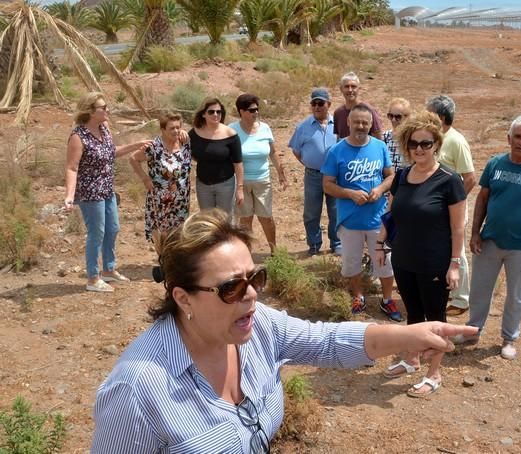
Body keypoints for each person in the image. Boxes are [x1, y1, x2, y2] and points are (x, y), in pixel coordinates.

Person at [90, 208, 479, 453]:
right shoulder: (136, 391)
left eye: (255, 276)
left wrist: (409, 335)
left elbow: (326, 341)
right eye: (232, 287)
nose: (252, 294)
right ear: (183, 297)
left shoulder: (258, 327)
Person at [375, 111, 466, 397]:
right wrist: (380, 245)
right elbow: (391, 215)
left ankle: (434, 372)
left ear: (436, 144)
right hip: (404, 258)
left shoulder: (449, 180)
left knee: (435, 318)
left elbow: (457, 228)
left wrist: (454, 265)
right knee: (413, 313)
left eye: (426, 144)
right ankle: (413, 359)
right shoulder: (401, 176)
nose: (419, 149)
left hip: (435, 262)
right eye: (414, 143)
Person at [459, 115, 521, 360]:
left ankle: (509, 338)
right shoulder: (495, 164)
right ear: (509, 138)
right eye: (517, 136)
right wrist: (474, 233)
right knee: (480, 290)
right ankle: (473, 331)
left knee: (517, 295)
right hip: (490, 239)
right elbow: (482, 198)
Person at [64, 92, 151, 292]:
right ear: (90, 111)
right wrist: (69, 195)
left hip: (107, 188)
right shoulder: (78, 136)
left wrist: (136, 145)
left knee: (113, 229)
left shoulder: (104, 129)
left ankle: (109, 271)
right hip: (89, 192)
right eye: (103, 108)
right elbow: (71, 168)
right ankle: (93, 279)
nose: (107, 110)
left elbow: (112, 151)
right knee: (97, 233)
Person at [322, 104, 401, 322]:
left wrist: (379, 189)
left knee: (385, 262)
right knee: (351, 262)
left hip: (378, 219)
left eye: (365, 122)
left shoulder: (379, 146)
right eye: (356, 121)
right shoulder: (336, 151)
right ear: (348, 122)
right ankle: (358, 296)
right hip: (349, 220)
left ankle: (386, 300)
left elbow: (390, 176)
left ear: (370, 124)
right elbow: (327, 185)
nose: (360, 126)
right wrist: (349, 193)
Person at [426, 95, 476, 315]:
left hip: (451, 207)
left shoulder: (456, 141)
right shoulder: (433, 138)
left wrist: (454, 202)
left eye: (429, 113)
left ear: (441, 117)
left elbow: (470, 177)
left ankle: (461, 300)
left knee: (457, 251)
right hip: (434, 207)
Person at [229, 94, 286, 254]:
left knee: (266, 217)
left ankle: (274, 250)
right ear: (241, 111)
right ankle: (246, 252)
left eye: (257, 109)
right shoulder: (232, 130)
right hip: (241, 182)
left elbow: (273, 152)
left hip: (263, 181)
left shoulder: (265, 128)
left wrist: (281, 173)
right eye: (251, 110)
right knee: (245, 218)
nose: (255, 113)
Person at [129, 112, 191, 254]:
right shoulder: (154, 147)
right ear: (163, 130)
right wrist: (145, 179)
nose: (175, 131)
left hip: (181, 199)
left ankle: (174, 262)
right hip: (160, 199)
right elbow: (133, 159)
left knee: (179, 233)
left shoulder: (184, 143)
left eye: (178, 127)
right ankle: (162, 261)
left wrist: (183, 132)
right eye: (171, 128)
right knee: (161, 233)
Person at [288, 88, 340, 256]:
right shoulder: (303, 127)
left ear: (328, 104)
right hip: (313, 175)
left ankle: (336, 243)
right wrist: (309, 163)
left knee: (336, 210)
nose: (317, 107)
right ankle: (315, 245)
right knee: (311, 212)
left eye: (320, 103)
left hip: (334, 176)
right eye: (314, 103)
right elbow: (296, 150)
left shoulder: (339, 125)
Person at [189, 97, 244, 216]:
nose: (215, 114)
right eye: (211, 112)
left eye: (218, 112)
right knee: (207, 221)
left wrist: (240, 189)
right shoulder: (194, 133)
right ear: (203, 114)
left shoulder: (230, 134)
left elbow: (238, 164)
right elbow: (188, 152)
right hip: (203, 185)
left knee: (225, 220)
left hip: (226, 185)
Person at [332, 72, 383, 140]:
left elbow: (378, 139)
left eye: (353, 86)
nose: (350, 90)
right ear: (341, 89)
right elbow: (338, 139)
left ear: (359, 89)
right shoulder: (338, 113)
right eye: (347, 86)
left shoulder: (368, 110)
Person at [382, 97, 411, 174]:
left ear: (407, 117)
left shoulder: (412, 139)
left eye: (398, 117)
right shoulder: (384, 137)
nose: (393, 120)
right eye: (391, 116)